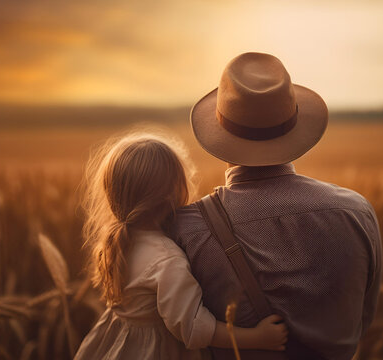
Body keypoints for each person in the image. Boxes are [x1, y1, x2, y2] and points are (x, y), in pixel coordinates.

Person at [171, 52, 383, 360]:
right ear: (294, 129)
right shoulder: (357, 213)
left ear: (221, 137)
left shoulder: (187, 229)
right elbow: (363, 319)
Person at [74, 132, 288, 360]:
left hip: (114, 345)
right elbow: (194, 328)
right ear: (174, 193)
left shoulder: (117, 241)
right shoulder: (167, 259)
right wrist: (257, 337)